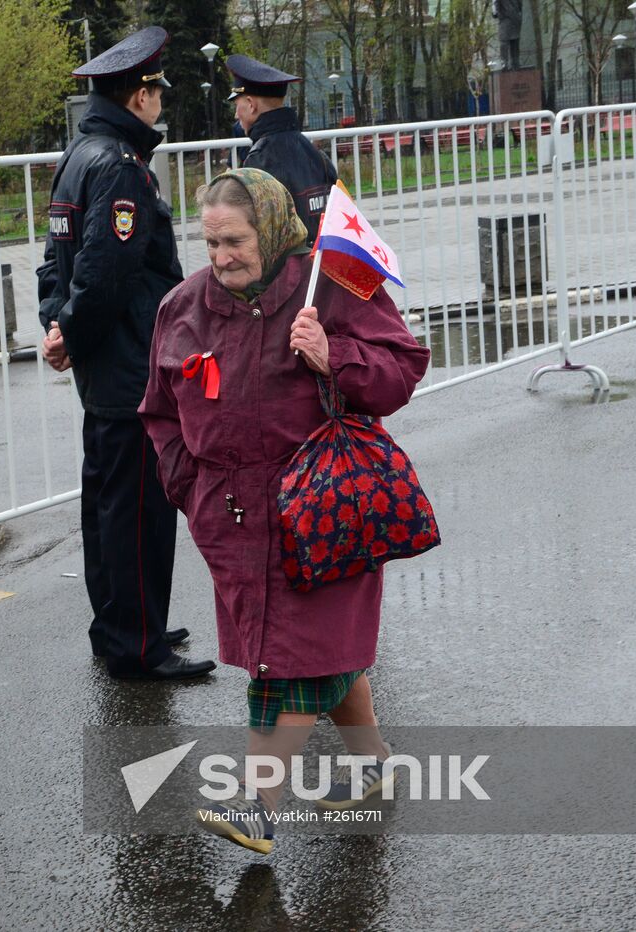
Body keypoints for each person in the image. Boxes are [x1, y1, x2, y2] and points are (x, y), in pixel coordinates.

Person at [139, 169, 430, 855]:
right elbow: (158, 414)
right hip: (232, 522)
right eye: (210, 242)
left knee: (290, 664)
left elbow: (403, 368)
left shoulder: (333, 285)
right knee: (320, 651)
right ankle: (376, 768)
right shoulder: (182, 308)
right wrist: (191, 490)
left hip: (323, 512)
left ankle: (257, 807)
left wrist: (336, 356)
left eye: (234, 241)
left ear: (269, 231)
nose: (222, 257)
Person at [36, 26, 214, 681]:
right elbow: (105, 272)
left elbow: (55, 260)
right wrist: (74, 331)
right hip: (131, 361)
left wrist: (59, 326)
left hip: (104, 360)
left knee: (109, 501)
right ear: (139, 95)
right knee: (138, 507)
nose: (161, 103)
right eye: (157, 91)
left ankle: (119, 625)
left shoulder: (81, 153)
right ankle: (139, 644)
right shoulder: (117, 165)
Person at [226, 54, 338, 243]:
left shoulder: (258, 160)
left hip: (287, 269)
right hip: (320, 263)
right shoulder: (316, 155)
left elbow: (260, 233)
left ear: (251, 105)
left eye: (238, 105)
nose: (237, 115)